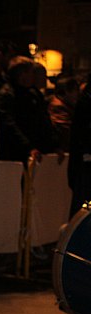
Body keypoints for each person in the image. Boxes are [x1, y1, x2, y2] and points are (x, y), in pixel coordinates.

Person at [0, 55, 61, 162]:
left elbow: (44, 119)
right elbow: (9, 124)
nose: (34, 76)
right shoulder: (7, 95)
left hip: (37, 150)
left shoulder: (33, 93)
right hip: (17, 152)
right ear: (22, 74)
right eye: (31, 72)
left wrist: (54, 144)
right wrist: (28, 147)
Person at [68, 73, 91, 217]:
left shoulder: (85, 101)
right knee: (82, 204)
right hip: (85, 160)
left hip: (84, 159)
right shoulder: (86, 102)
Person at [48, 75, 80, 152]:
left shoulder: (65, 104)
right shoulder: (58, 106)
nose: (78, 94)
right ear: (66, 91)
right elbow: (66, 130)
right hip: (65, 149)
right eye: (75, 90)